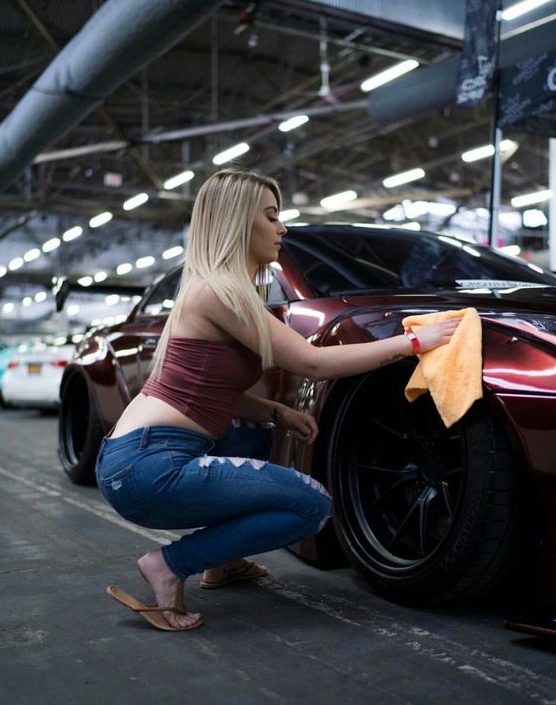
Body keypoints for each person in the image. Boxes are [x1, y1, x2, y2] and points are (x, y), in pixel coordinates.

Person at [96, 168, 460, 632]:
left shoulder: (219, 292)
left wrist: (278, 412)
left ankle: (223, 562)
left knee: (255, 431)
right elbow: (313, 363)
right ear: (235, 222)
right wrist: (413, 342)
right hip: (150, 466)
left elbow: (213, 390)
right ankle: (170, 564)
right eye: (271, 216)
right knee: (311, 504)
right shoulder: (219, 293)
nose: (282, 227)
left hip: (138, 459)